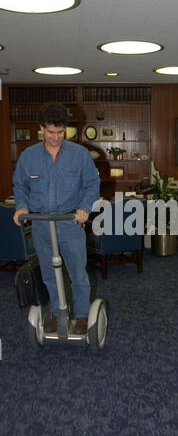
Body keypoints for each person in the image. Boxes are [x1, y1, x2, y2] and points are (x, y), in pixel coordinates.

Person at [13, 102, 100, 335]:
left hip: (70, 222)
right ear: (41, 128)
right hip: (41, 224)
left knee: (77, 273)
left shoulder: (79, 154)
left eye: (61, 132)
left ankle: (82, 315)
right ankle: (56, 313)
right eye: (51, 132)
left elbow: (92, 184)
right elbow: (20, 186)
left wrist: (84, 207)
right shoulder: (28, 156)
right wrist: (21, 208)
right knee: (49, 273)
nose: (56, 137)